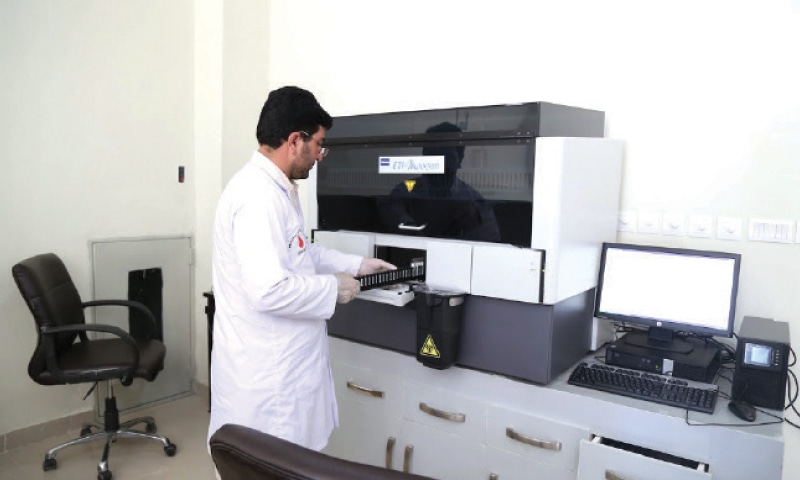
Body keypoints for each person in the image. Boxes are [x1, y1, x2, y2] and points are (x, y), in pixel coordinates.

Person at [207, 86, 395, 457]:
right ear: (296, 140)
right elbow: (268, 289)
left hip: (282, 371)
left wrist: (355, 265)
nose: (320, 157)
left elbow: (299, 251)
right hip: (269, 383)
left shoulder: (276, 190)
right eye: (319, 146)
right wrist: (334, 288)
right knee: (272, 465)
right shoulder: (257, 198)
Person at [377, 122, 501, 242]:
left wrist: (473, 223)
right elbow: (392, 220)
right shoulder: (403, 192)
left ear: (460, 159)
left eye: (446, 156)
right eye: (434, 154)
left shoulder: (472, 199)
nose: (441, 163)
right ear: (424, 156)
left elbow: (491, 239)